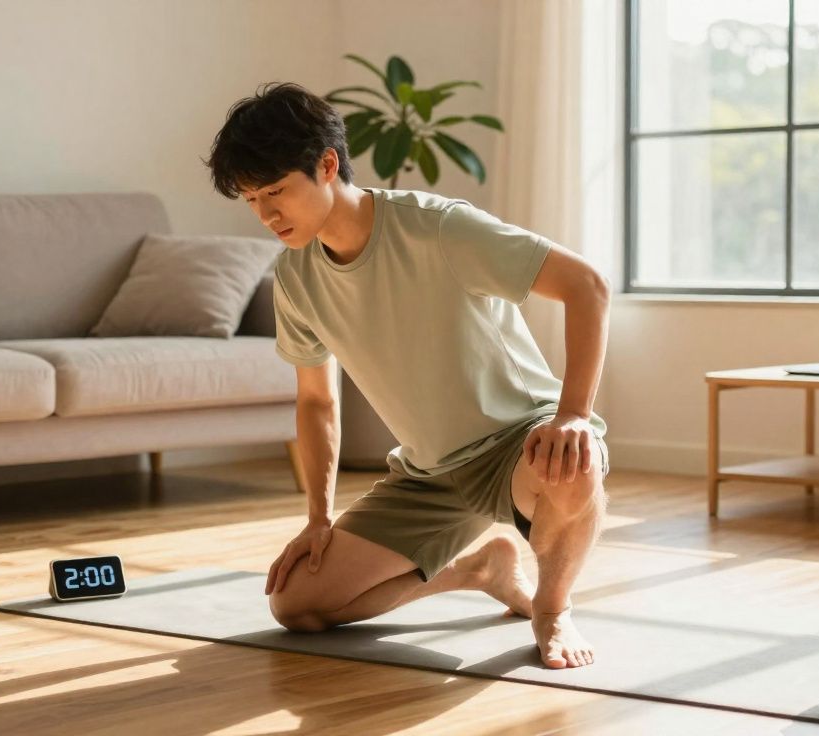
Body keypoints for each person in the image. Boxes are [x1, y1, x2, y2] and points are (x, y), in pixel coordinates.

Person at [203, 82, 611, 669]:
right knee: (297, 605)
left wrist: (573, 413)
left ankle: (553, 608)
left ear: (325, 166)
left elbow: (587, 286)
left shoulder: (437, 228)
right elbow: (317, 403)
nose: (266, 215)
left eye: (275, 192)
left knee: (573, 464)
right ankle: (480, 568)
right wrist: (318, 519)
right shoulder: (295, 278)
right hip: (429, 474)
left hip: (519, 443)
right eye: (250, 199)